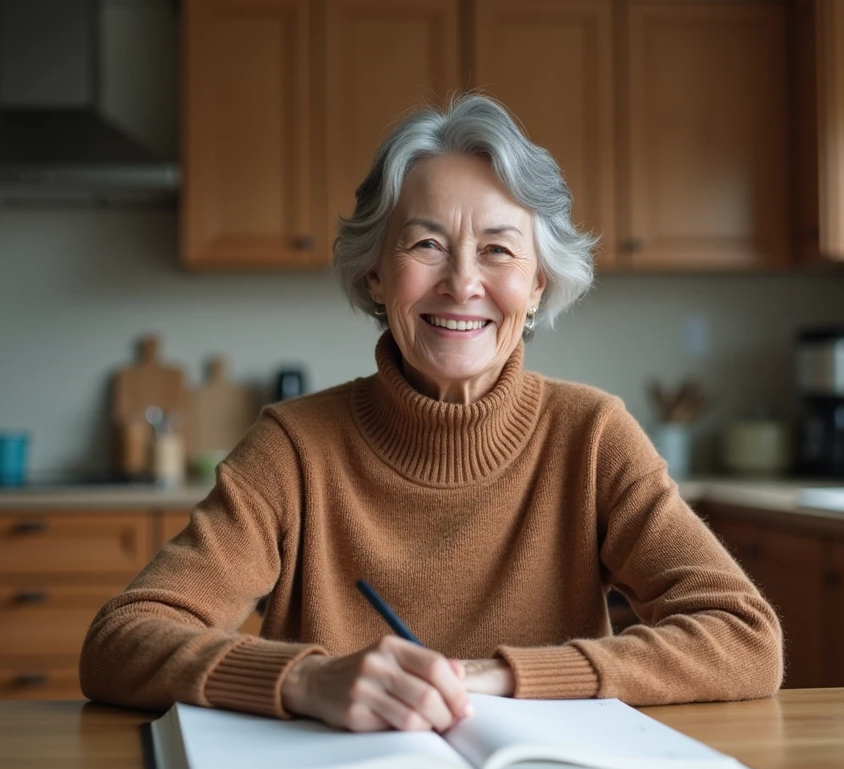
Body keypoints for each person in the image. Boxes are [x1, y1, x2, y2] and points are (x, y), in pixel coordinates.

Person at [79, 95, 783, 733]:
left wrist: (501, 677)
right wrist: (306, 680)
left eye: (498, 250)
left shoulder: (593, 436)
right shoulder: (292, 448)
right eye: (426, 245)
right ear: (376, 274)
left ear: (537, 285)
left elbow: (745, 637)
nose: (463, 283)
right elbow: (122, 639)